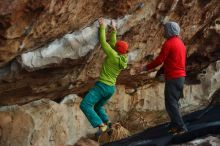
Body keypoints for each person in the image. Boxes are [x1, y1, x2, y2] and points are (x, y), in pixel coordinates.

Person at [135, 21, 188, 135]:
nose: (164, 31)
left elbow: (160, 60)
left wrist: (144, 68)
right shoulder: (180, 43)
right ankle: (175, 125)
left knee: (171, 103)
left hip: (173, 78)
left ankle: (181, 128)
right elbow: (172, 61)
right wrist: (161, 71)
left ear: (170, 30)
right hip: (180, 77)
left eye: (165, 29)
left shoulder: (169, 43)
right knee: (174, 102)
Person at [80, 17, 129, 135]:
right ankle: (108, 123)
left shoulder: (113, 55)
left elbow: (103, 42)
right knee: (98, 107)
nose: (114, 45)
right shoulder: (122, 58)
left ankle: (101, 126)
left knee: (85, 105)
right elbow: (113, 44)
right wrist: (113, 29)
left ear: (117, 49)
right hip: (110, 89)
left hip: (102, 86)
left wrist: (102, 26)